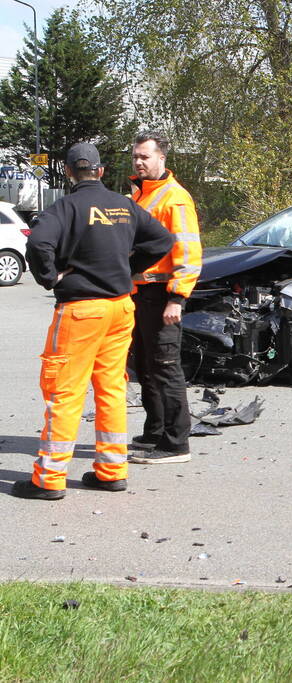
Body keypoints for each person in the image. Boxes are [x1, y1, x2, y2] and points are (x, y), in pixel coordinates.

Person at [13, 143, 173, 500]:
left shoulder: (65, 207)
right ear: (100, 171)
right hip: (120, 307)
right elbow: (163, 239)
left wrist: (51, 277)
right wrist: (128, 269)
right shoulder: (123, 205)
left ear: (70, 172)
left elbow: (38, 244)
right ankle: (112, 471)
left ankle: (49, 479)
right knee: (112, 389)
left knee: (65, 393)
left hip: (81, 311)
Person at [127, 130, 203, 464]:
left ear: (162, 158)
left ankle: (176, 443)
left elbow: (188, 251)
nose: (139, 162)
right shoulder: (141, 196)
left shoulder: (175, 198)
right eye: (135, 156)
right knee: (146, 367)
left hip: (162, 295)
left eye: (145, 156)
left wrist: (177, 298)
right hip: (141, 294)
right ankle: (155, 431)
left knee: (166, 367)